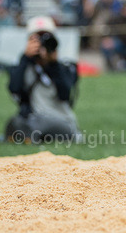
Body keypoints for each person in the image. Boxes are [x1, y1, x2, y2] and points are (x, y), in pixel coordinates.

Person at [5, 16, 81, 144]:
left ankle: (29, 135)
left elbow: (65, 94)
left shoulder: (66, 67)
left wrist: (53, 64)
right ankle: (31, 135)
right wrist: (25, 58)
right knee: (16, 123)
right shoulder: (23, 67)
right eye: (37, 39)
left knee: (27, 126)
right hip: (32, 117)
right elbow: (14, 90)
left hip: (60, 119)